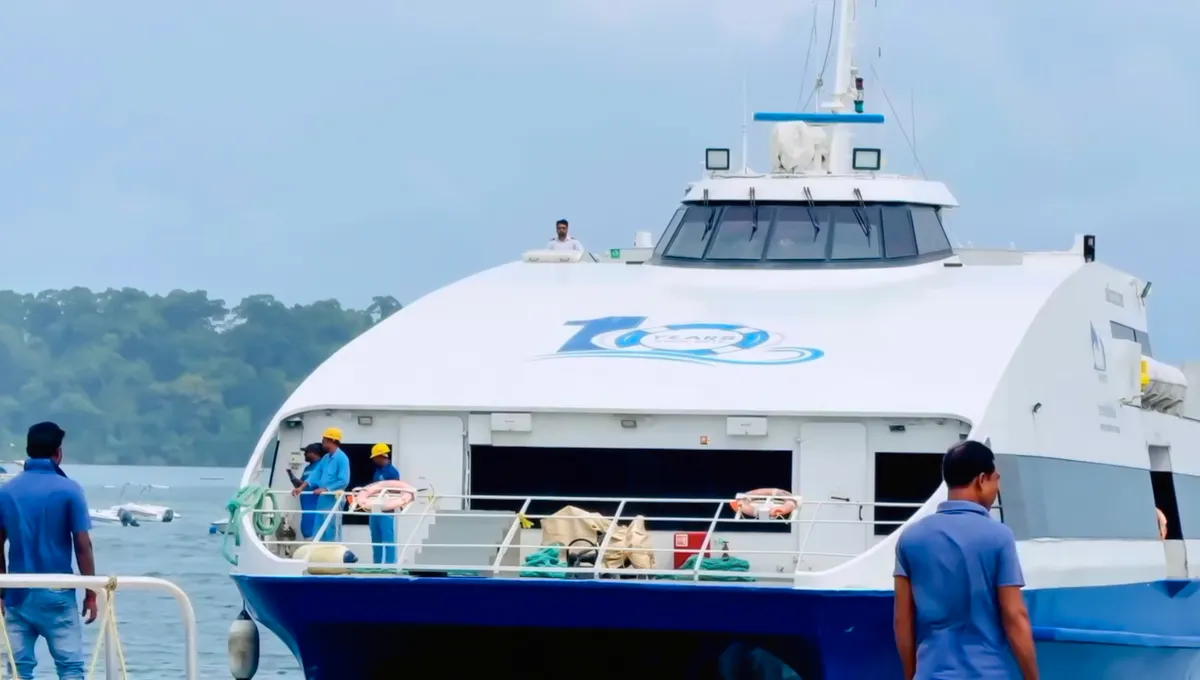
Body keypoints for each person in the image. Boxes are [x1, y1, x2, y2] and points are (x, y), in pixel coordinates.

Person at [893, 440, 1038, 680]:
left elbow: (902, 620)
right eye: (996, 479)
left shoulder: (910, 538)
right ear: (981, 480)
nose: (997, 487)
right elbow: (1015, 616)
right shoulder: (999, 536)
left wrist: (911, 675)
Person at [0, 422, 98, 680]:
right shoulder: (69, 489)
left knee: (18, 670)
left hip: (16, 593)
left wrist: (1, 588)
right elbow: (82, 545)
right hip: (57, 593)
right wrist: (91, 593)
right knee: (71, 669)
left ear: (28, 450)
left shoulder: (6, 491)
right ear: (58, 453)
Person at [292, 428, 350, 542]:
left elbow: (344, 480)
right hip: (323, 499)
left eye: (324, 440)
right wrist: (301, 488)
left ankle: (333, 553)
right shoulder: (326, 458)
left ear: (331, 440)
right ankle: (320, 552)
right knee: (319, 526)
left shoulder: (342, 458)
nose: (322, 442)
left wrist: (326, 489)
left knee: (332, 526)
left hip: (333, 498)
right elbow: (315, 474)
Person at [367, 443, 401, 564]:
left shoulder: (392, 473)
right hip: (375, 507)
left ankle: (390, 564)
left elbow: (396, 490)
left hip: (386, 509)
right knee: (376, 538)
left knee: (387, 537)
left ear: (382, 456)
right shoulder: (378, 471)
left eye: (376, 457)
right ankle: (376, 564)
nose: (374, 460)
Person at [288, 443, 325, 540]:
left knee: (315, 530)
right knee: (306, 529)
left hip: (316, 505)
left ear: (314, 453)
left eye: (306, 452)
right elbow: (302, 484)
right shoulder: (307, 468)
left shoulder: (322, 466)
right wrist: (293, 479)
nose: (304, 454)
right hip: (306, 507)